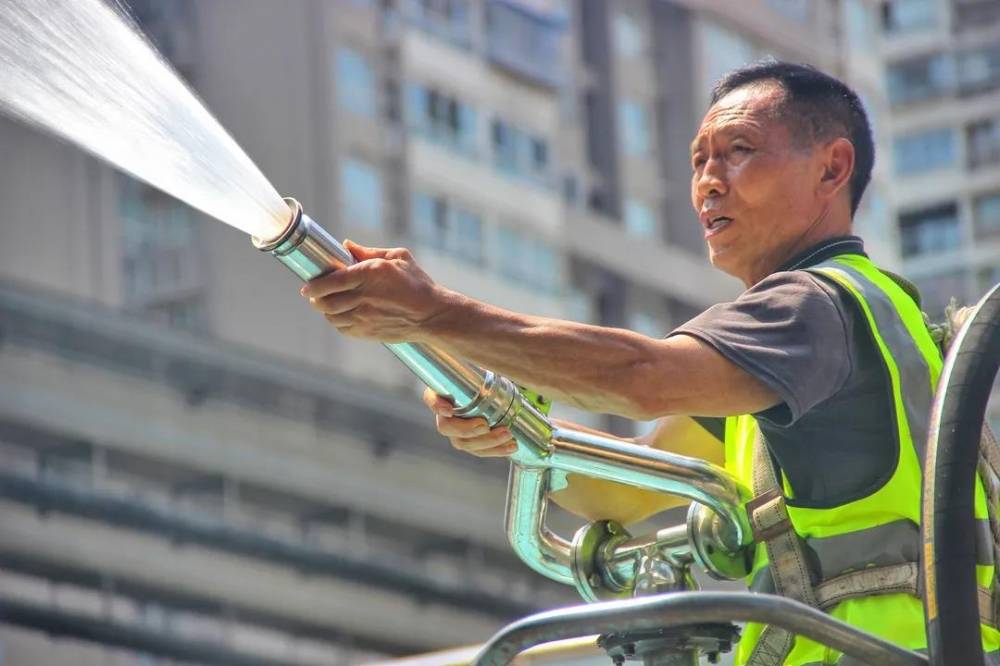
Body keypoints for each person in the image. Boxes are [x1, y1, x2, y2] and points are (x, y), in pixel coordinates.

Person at [299, 61, 999, 664]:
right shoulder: (847, 334)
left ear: (832, 167)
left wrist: (435, 312)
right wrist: (516, 419)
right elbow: (621, 494)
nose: (708, 182)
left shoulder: (811, 306)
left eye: (739, 151)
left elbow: (643, 378)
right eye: (698, 161)